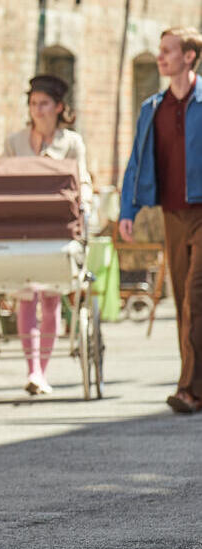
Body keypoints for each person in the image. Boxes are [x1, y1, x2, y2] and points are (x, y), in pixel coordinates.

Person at [119, 27, 202, 413]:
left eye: (167, 51)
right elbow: (136, 161)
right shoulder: (153, 108)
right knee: (183, 298)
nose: (160, 57)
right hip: (172, 214)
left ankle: (189, 388)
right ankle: (193, 383)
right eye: (159, 50)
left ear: (189, 56)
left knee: (196, 299)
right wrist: (127, 210)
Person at [4, 74, 93, 396]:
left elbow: (83, 179)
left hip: (56, 226)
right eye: (32, 104)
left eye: (43, 104)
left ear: (58, 107)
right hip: (23, 227)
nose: (37, 110)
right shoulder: (15, 142)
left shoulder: (71, 143)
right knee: (27, 296)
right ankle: (33, 371)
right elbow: (5, 180)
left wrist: (86, 202)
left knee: (52, 297)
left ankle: (43, 368)